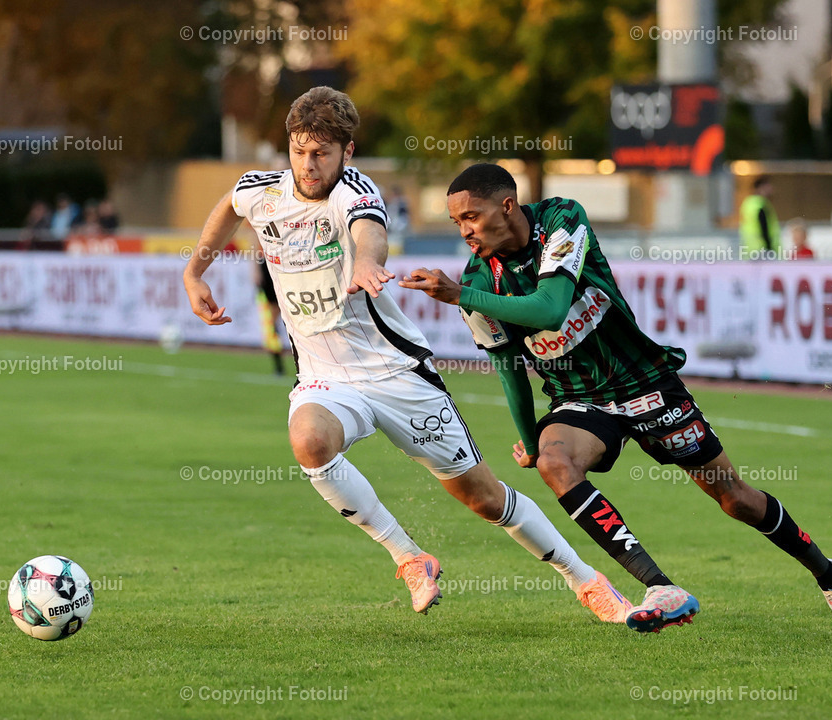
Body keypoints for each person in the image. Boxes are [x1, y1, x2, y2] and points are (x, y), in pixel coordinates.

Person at [183, 88, 631, 622]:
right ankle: (409, 557)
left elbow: (368, 234)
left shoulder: (355, 192)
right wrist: (194, 272)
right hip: (326, 376)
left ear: (347, 153)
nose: (308, 164)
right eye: (299, 150)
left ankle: (588, 581)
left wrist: (367, 265)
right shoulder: (261, 190)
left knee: (485, 499)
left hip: (396, 373)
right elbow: (229, 209)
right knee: (309, 441)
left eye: (322, 153)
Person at [400, 163, 832, 638]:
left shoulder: (561, 219)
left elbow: (550, 307)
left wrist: (464, 296)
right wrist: (529, 440)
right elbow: (508, 369)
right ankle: (660, 587)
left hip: (644, 380)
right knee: (555, 462)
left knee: (735, 500)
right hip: (580, 397)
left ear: (507, 206)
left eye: (471, 217)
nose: (464, 231)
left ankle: (831, 577)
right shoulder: (478, 279)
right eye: (456, 222)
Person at [739, 176, 781, 260]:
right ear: (761, 187)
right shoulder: (760, 204)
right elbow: (763, 226)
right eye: (768, 186)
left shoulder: (748, 203)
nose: (771, 189)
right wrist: (769, 247)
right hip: (762, 248)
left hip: (750, 248)